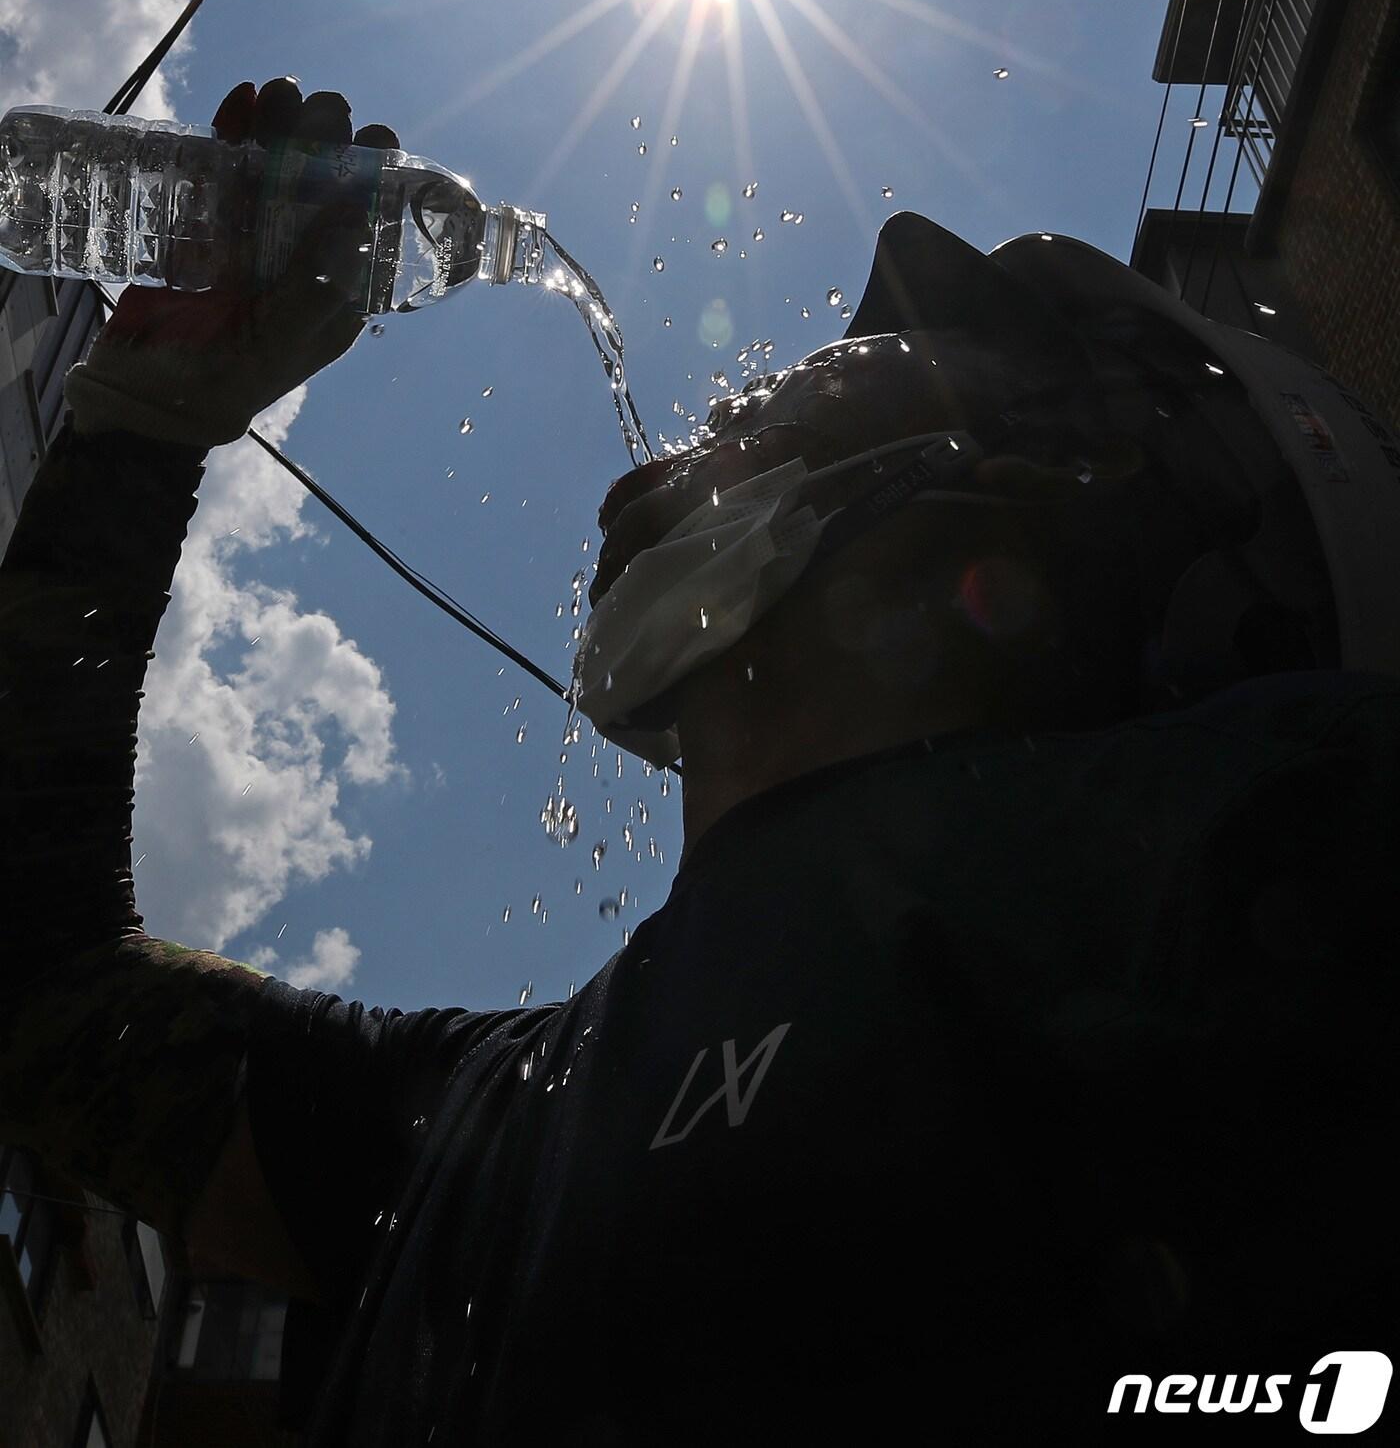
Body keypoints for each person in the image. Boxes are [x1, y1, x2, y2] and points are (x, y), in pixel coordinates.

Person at [1, 75, 1395, 1445]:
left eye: (771, 406)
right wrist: (142, 426)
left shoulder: (1266, 838)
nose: (652, 468)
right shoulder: (490, 1123)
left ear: (1042, 486)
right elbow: (38, 995)